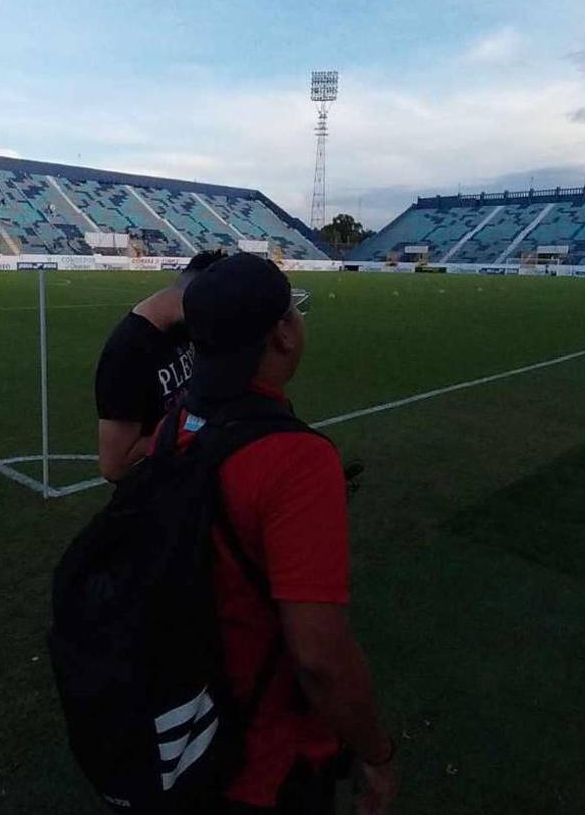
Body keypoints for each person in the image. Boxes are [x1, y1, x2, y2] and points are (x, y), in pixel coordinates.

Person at [175, 253, 399, 815]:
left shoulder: (173, 424)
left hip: (187, 731)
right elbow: (320, 657)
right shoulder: (296, 460)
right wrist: (377, 753)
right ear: (281, 335)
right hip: (267, 766)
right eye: (294, 314)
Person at [94, 249, 226, 481]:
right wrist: (183, 427)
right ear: (201, 298)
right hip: (154, 500)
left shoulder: (184, 327)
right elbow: (113, 466)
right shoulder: (128, 354)